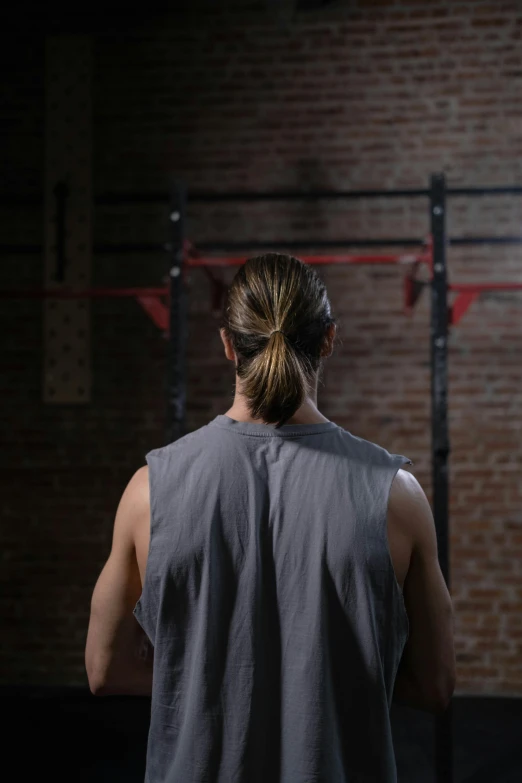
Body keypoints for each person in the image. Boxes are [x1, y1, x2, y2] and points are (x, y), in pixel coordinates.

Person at [85, 253, 456, 783]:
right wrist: (321, 683)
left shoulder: (150, 490)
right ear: (328, 339)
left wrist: (209, 679)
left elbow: (104, 669)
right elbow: (436, 683)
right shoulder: (395, 494)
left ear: (229, 344)